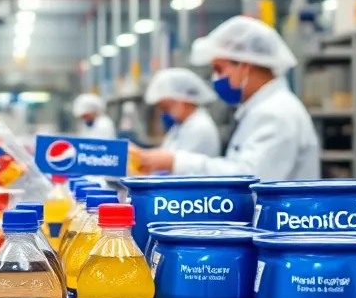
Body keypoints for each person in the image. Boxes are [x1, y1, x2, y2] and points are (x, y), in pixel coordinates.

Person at [133, 16, 320, 181]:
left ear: (244, 65)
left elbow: (250, 177)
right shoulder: (260, 110)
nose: (216, 79)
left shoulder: (276, 113)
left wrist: (175, 162)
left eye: (219, 70)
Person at [143, 68, 222, 158]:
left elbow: (179, 165)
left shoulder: (199, 128)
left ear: (183, 99)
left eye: (166, 107)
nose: (164, 113)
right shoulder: (180, 127)